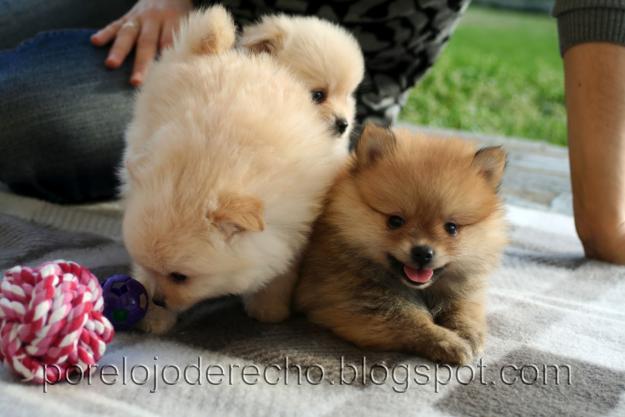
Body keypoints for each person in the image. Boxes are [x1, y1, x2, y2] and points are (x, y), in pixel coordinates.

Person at [0, 0, 623, 264]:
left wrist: (605, 218)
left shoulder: (339, 103)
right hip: (199, 20)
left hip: (301, 84)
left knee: (25, 113)